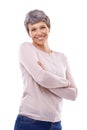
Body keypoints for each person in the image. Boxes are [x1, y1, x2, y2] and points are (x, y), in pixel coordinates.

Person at [14, 9, 77, 130]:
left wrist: (47, 77)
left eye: (42, 27)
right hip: (30, 122)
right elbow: (42, 78)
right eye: (33, 29)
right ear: (29, 33)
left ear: (49, 28)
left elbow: (73, 94)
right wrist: (65, 83)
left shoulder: (61, 57)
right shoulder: (26, 48)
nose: (39, 33)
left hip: (56, 124)